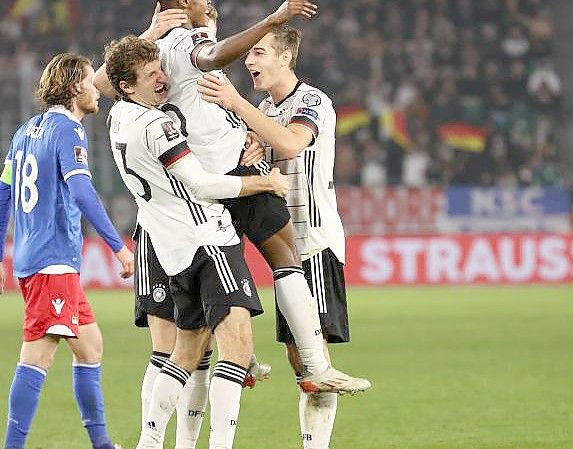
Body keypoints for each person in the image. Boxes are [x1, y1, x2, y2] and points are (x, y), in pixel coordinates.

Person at [94, 0, 370, 396]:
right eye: (207, 3)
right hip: (231, 168)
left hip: (196, 181)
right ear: (189, 7)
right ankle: (316, 363)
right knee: (285, 257)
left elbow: (102, 86)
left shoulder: (153, 56)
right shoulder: (193, 39)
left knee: (222, 270)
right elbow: (213, 54)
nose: (212, 8)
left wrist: (149, 32)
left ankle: (242, 353)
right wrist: (272, 20)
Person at [102, 35, 291, 449]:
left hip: (172, 250)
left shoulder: (118, 116)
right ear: (128, 87)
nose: (162, 78)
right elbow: (203, 182)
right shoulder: (157, 125)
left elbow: (105, 83)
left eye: (160, 69)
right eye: (150, 75)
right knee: (237, 349)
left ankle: (150, 443)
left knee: (185, 352)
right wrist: (265, 180)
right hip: (206, 239)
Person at [198, 25, 353, 449]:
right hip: (280, 245)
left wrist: (236, 105)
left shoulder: (312, 101)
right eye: (248, 55)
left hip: (312, 243)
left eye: (260, 52)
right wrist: (246, 147)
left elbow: (289, 142)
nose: (249, 60)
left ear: (286, 58)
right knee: (296, 356)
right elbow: (260, 149)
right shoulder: (263, 106)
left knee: (313, 360)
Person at [0, 53, 134, 449]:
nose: (97, 90)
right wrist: (118, 247)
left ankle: (102, 444)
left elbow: (4, 193)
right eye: (92, 83)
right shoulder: (68, 130)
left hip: (36, 258)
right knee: (38, 356)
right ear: (76, 88)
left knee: (90, 347)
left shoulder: (26, 130)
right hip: (52, 260)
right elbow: (81, 192)